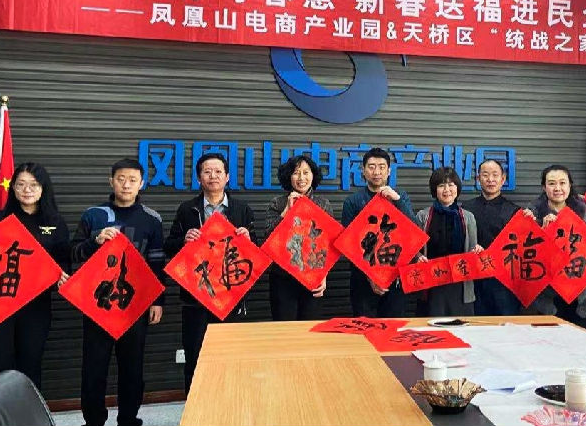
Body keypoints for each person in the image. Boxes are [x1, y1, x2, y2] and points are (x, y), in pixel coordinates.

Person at [71, 159, 166, 426]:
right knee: (94, 367)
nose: (126, 185)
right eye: (121, 179)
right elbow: (73, 254)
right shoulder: (93, 215)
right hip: (97, 303)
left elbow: (157, 262)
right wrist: (95, 241)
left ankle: (128, 418)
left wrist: (157, 300)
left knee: (132, 367)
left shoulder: (151, 219)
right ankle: (93, 421)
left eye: (133, 180)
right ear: (111, 181)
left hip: (136, 304)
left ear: (142, 184)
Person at [0, 162, 70, 389]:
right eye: (21, 184)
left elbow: (63, 262)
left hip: (36, 306)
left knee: (30, 365)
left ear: (43, 188)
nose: (27, 190)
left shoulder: (55, 223)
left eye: (34, 185)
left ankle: (28, 409)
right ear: (12, 188)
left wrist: (61, 277)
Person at [165, 152, 255, 394]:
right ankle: (195, 407)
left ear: (227, 177)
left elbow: (255, 253)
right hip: (195, 297)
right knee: (195, 356)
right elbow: (169, 247)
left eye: (218, 171)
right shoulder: (187, 209)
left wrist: (248, 239)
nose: (213, 176)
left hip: (230, 296)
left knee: (229, 357)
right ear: (199, 178)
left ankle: (228, 404)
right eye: (207, 171)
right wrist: (183, 240)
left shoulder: (242, 209)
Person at [341, 147, 417, 318]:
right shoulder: (353, 202)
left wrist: (397, 201)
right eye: (371, 166)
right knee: (365, 328)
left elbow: (415, 229)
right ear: (363, 170)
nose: (376, 172)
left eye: (382, 167)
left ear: (389, 171)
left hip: (395, 277)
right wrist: (371, 276)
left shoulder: (400, 196)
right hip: (363, 280)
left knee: (393, 326)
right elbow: (348, 245)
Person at [528, 164, 586, 329]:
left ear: (570, 185)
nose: (557, 188)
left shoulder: (582, 212)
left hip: (581, 294)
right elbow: (527, 258)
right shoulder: (532, 215)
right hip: (549, 296)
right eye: (552, 183)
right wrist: (543, 232)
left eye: (562, 183)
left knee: (581, 339)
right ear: (544, 187)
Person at [264, 155, 333, 321]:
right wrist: (286, 212)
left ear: (313, 175)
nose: (301, 178)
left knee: (309, 327)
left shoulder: (323, 204)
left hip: (313, 274)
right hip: (283, 277)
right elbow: (268, 239)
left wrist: (323, 275)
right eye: (296, 173)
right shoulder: (277, 203)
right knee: (284, 327)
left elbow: (329, 243)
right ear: (289, 177)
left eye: (306, 172)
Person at [415, 167, 479, 316]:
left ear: (457, 188)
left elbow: (473, 251)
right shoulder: (423, 216)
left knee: (461, 326)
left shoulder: (468, 217)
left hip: (460, 285)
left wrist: (477, 251)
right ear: (434, 189)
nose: (447, 190)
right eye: (441, 185)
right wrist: (418, 257)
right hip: (432, 284)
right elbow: (414, 250)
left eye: (451, 185)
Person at [462, 159, 523, 316]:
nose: (490, 179)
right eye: (485, 175)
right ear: (478, 179)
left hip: (504, 284)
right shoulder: (465, 209)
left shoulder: (514, 211)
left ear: (503, 179)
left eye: (495, 175)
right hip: (473, 280)